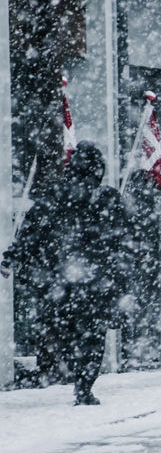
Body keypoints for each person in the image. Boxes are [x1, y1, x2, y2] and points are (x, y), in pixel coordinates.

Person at [3, 142, 132, 404]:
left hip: (61, 282)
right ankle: (83, 384)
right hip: (94, 282)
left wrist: (11, 258)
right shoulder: (107, 199)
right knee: (92, 336)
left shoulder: (55, 196)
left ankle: (64, 372)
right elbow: (126, 241)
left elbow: (31, 233)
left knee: (64, 331)